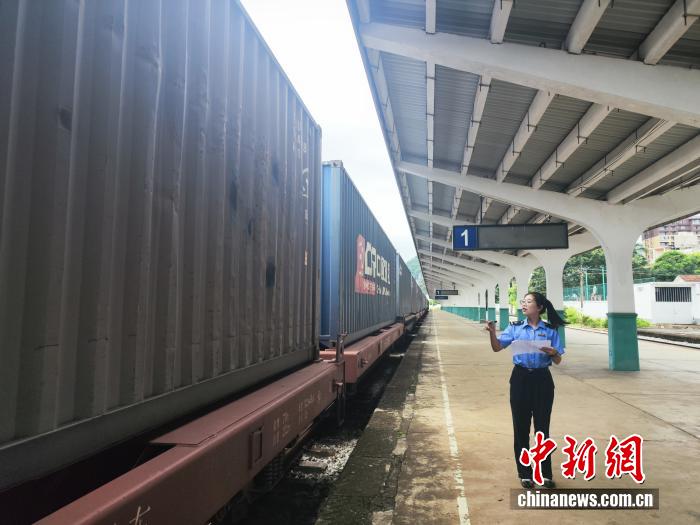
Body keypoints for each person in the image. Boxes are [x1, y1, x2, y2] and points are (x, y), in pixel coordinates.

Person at [485, 291, 566, 489]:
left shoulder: (550, 330)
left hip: (542, 380)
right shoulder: (515, 328)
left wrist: (553, 352)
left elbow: (558, 360)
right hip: (520, 379)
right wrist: (492, 333)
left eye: (528, 302)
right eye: (523, 301)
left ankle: (545, 474)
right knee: (521, 428)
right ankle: (525, 474)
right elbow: (497, 348)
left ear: (539, 307)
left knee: (542, 428)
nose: (523, 304)